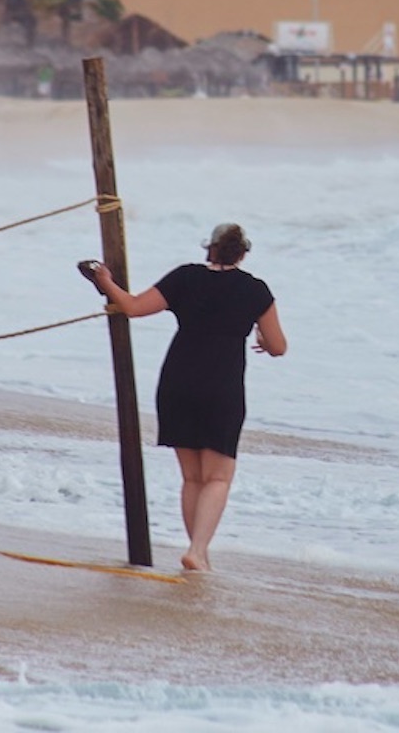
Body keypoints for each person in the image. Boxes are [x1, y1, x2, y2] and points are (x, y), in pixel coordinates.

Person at [89, 223, 286, 571]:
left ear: (209, 249)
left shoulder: (185, 277)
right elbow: (278, 347)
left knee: (193, 477)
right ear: (242, 253)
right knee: (218, 477)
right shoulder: (254, 290)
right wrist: (259, 334)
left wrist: (105, 282)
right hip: (221, 385)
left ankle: (200, 554)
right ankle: (196, 550)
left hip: (178, 381)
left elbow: (133, 307)